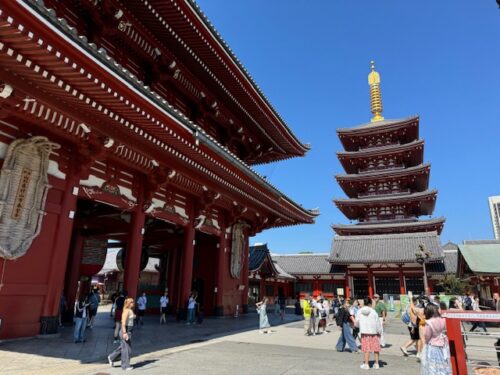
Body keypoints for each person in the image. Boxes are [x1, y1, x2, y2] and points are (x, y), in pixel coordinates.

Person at [420, 304, 452, 375]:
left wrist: (422, 322)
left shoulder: (429, 322)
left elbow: (426, 336)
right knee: (443, 364)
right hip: (444, 345)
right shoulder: (443, 319)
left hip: (433, 346)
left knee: (433, 367)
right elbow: (446, 330)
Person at [108, 297, 135, 370]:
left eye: (133, 301)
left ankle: (111, 357)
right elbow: (123, 323)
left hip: (129, 331)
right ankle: (125, 366)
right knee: (126, 349)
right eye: (132, 302)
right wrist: (125, 333)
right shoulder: (126, 311)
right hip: (125, 331)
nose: (133, 303)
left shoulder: (130, 310)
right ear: (128, 303)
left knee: (123, 348)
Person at [356, 297, 382, 370]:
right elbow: (377, 323)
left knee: (366, 348)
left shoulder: (359, 311)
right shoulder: (373, 312)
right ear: (370, 303)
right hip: (373, 332)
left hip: (364, 332)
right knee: (376, 348)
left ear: (364, 303)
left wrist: (360, 327)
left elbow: (357, 322)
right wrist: (379, 331)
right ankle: (376, 364)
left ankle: (366, 364)